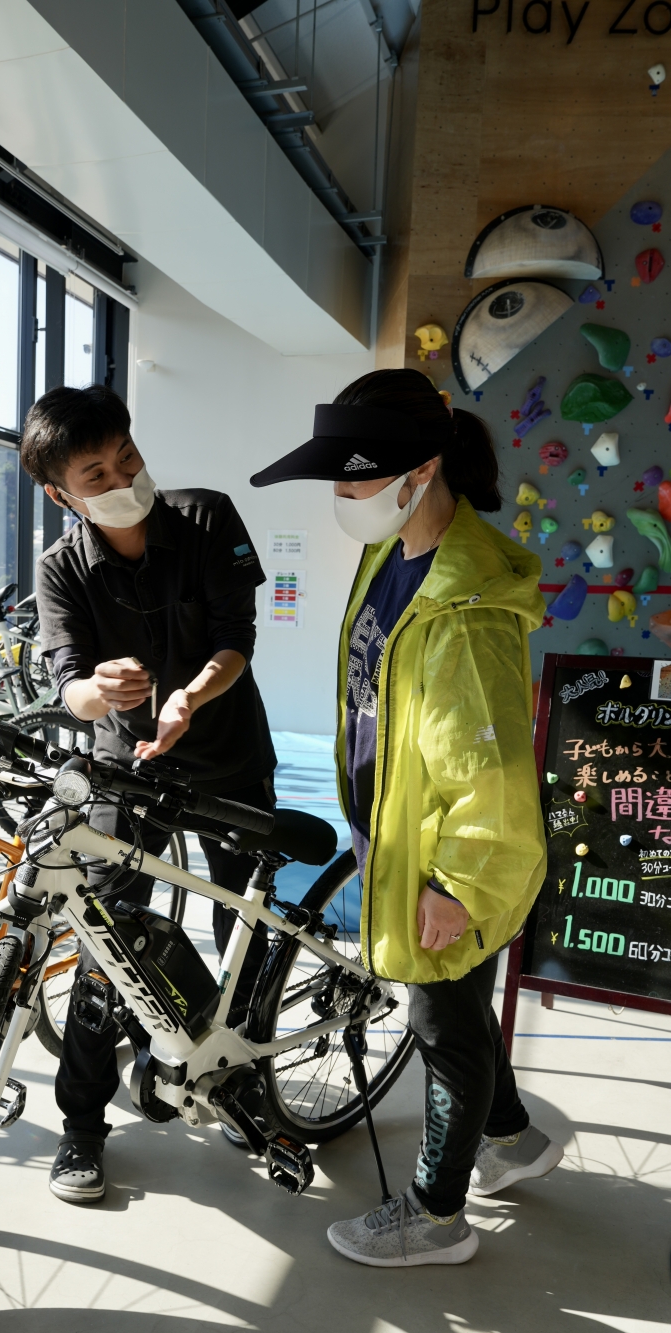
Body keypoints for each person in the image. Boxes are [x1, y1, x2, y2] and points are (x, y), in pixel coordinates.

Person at [250, 368, 560, 1267]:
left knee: (439, 1025)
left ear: (419, 473)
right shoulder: (394, 555)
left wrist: (456, 886)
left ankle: (436, 1215)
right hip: (393, 827)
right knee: (458, 1005)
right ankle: (516, 1140)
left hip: (445, 857)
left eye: (352, 481)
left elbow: (491, 767)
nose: (342, 501)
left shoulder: (465, 612)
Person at [22, 384, 276, 1204]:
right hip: (127, 771)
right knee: (106, 938)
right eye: (97, 472)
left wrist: (188, 696)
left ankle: (245, 1083)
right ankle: (82, 1128)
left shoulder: (207, 518)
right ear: (62, 493)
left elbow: (238, 639)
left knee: (246, 926)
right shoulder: (62, 568)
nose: (124, 475)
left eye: (127, 455)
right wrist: (102, 690)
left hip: (229, 759)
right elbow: (69, 690)